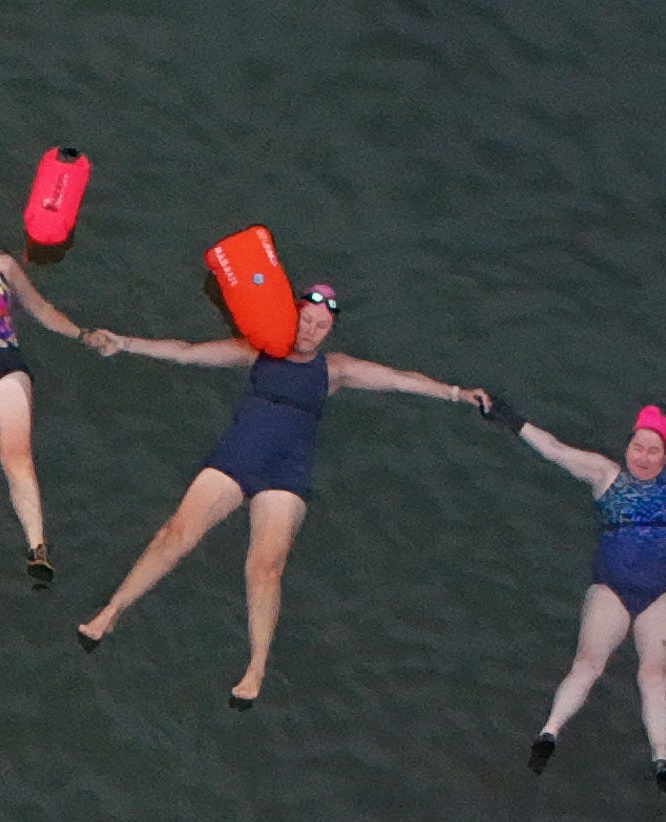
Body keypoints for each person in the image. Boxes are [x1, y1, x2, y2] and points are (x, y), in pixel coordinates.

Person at [64, 276, 501, 697]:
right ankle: (112, 610)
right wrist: (123, 342)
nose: (310, 330)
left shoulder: (336, 370)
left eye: (320, 325)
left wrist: (455, 393)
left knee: (265, 568)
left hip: (286, 475)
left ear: (330, 331)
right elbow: (186, 352)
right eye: (305, 319)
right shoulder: (259, 350)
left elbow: (401, 379)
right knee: (176, 533)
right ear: (291, 316)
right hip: (236, 458)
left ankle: (256, 666)